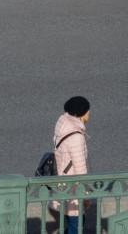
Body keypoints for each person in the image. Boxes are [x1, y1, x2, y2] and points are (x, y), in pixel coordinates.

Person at [53, 96, 91, 234]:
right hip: (73, 188)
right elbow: (80, 171)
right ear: (82, 113)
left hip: (62, 183)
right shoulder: (76, 137)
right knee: (77, 225)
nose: (89, 113)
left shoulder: (63, 125)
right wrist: (86, 197)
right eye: (88, 110)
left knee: (72, 223)